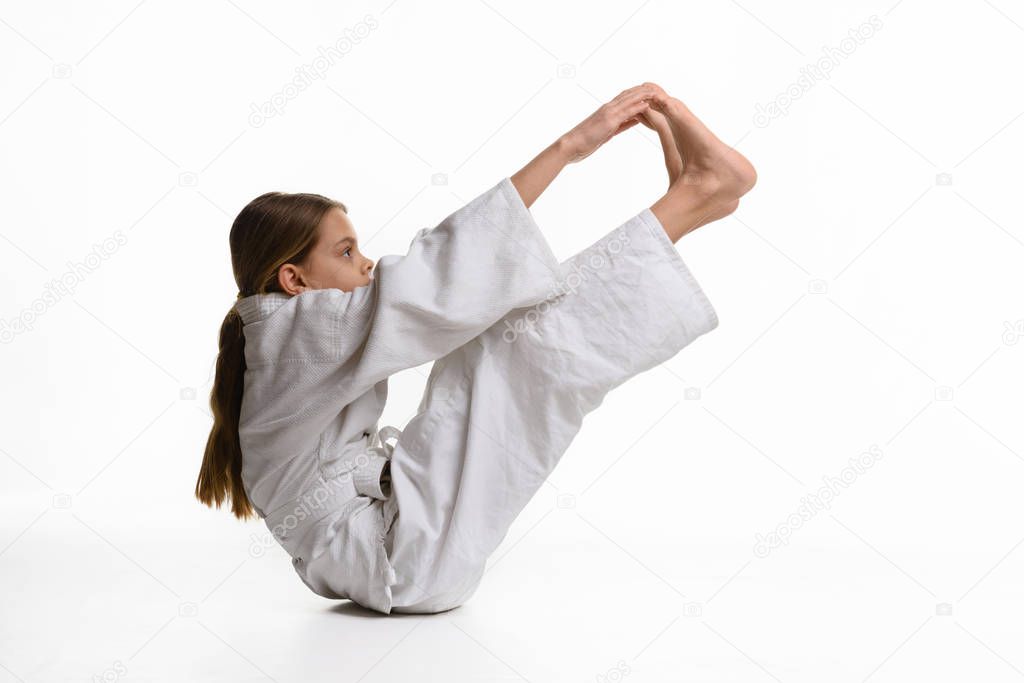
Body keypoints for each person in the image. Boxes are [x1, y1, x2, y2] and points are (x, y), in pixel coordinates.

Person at [195, 82, 756, 614]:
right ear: (294, 280)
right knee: (510, 356)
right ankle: (694, 200)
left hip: (399, 551)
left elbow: (436, 292)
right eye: (345, 252)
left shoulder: (278, 342)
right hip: (398, 558)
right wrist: (568, 148)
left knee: (498, 348)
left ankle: (692, 205)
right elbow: (430, 282)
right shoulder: (293, 336)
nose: (366, 262)